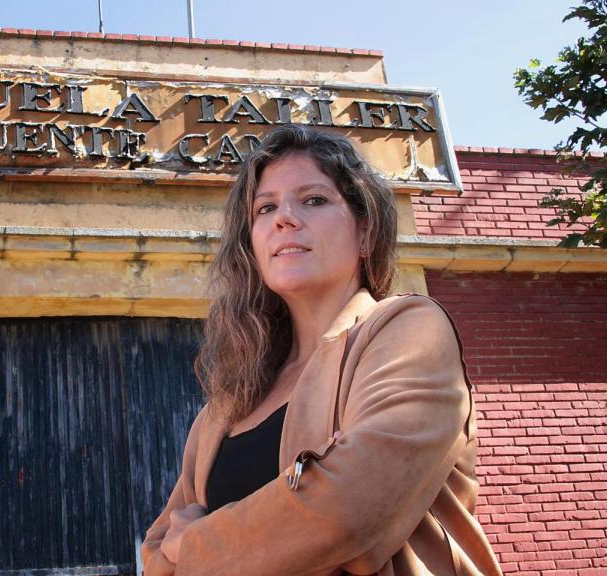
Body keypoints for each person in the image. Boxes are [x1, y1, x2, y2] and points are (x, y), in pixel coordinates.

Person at [140, 124, 503, 575]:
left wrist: (195, 543)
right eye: (265, 207)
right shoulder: (227, 405)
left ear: (366, 232)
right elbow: (156, 551)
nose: (284, 218)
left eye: (314, 200)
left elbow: (348, 513)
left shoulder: (407, 330)